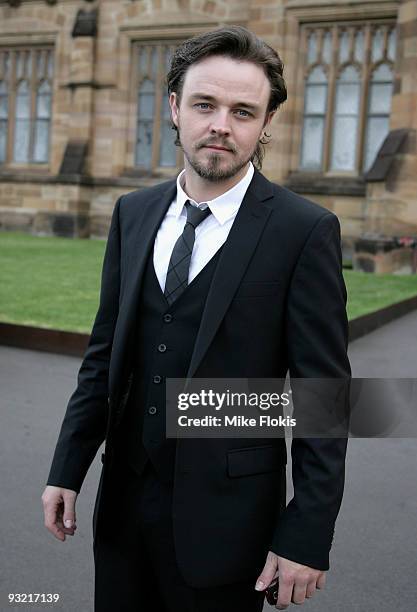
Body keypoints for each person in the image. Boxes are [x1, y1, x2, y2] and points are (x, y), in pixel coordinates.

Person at [42, 25, 350, 612]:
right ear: (175, 108)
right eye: (206, 104)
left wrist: (308, 533)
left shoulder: (303, 231)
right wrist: (67, 468)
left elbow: (322, 397)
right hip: (124, 509)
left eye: (243, 111)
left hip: (228, 523)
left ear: (265, 124)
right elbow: (104, 355)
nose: (221, 126)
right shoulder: (133, 213)